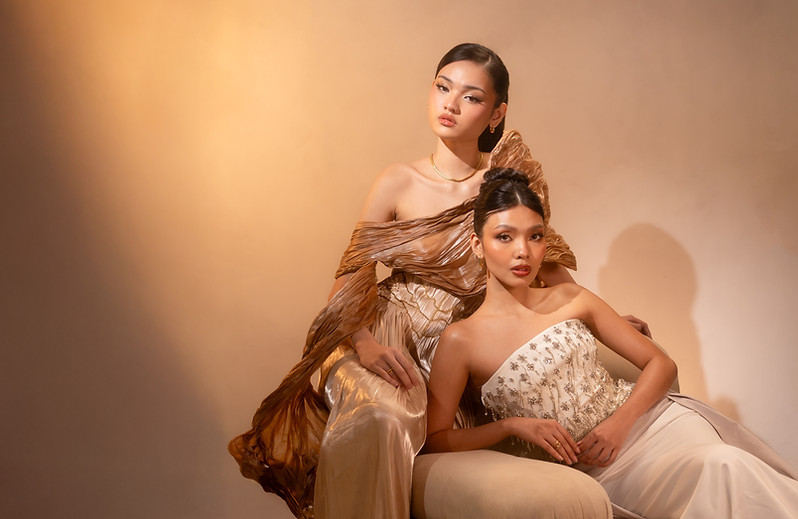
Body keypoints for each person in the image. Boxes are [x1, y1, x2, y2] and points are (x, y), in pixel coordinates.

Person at [228, 43, 643, 519]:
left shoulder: (504, 181)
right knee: (381, 415)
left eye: (471, 97)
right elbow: (346, 282)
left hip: (460, 346)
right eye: (443, 88)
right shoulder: (397, 181)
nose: (450, 104)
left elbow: (542, 265)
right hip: (390, 335)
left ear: (496, 113)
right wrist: (365, 345)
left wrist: (604, 321)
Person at [424, 168, 798, 519]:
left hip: (656, 428)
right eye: (505, 237)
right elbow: (435, 439)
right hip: (596, 469)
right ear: (477, 245)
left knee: (725, 464)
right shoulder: (462, 339)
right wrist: (511, 427)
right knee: (723, 469)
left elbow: (662, 364)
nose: (523, 251)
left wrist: (618, 424)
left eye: (535, 236)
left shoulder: (571, 297)